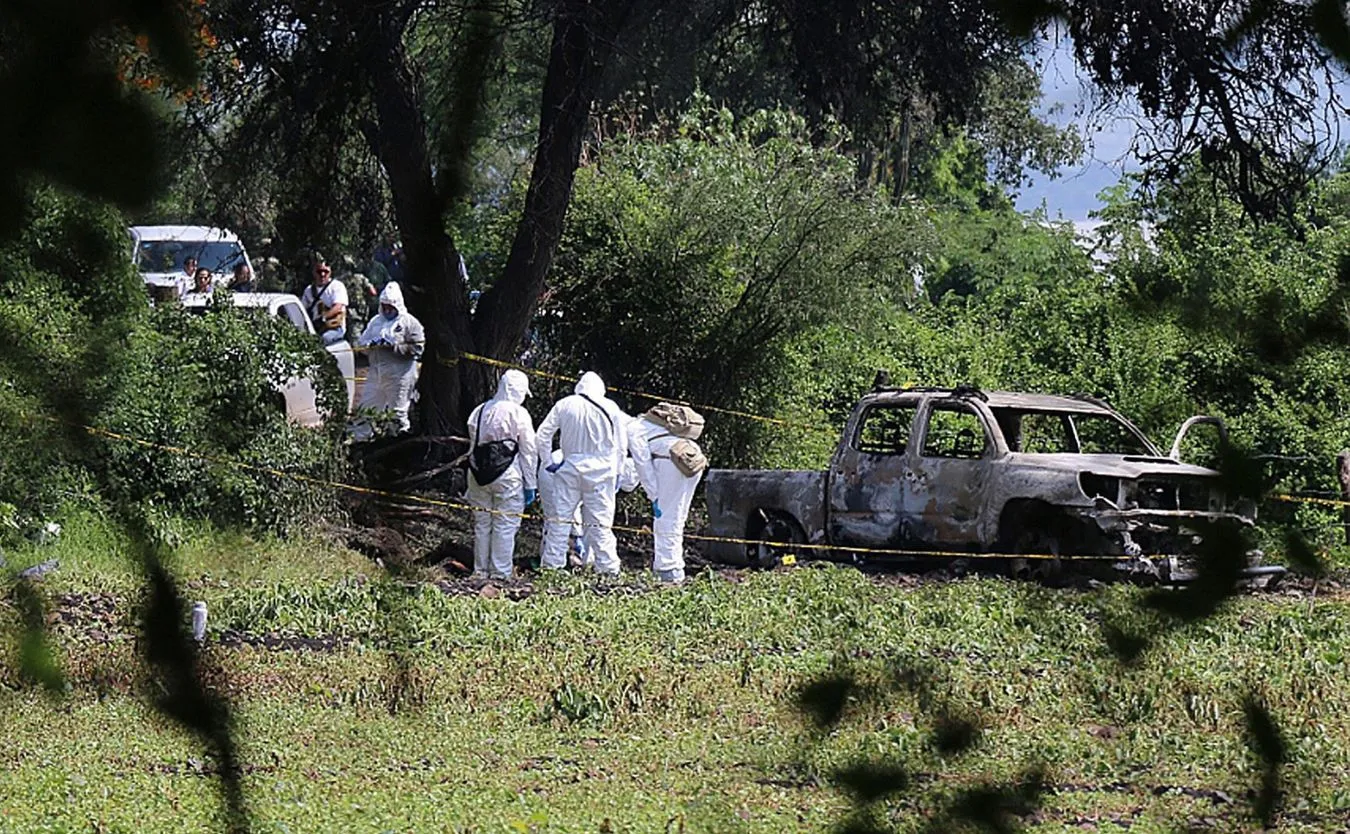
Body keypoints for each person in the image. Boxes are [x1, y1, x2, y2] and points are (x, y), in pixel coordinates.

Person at [535, 372, 628, 576]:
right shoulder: (611, 407)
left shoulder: (565, 404)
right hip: (601, 474)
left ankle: (552, 568)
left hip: (570, 471)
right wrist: (618, 472)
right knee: (600, 526)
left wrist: (548, 462)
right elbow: (621, 446)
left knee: (559, 522)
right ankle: (609, 570)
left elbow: (542, 435)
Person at [465, 369, 537, 580]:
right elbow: (528, 451)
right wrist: (530, 483)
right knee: (505, 525)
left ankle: (479, 571)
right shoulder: (518, 413)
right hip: (507, 475)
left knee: (482, 524)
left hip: (477, 474)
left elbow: (473, 444)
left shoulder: (479, 410)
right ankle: (500, 574)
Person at [629, 407, 707, 584]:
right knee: (678, 517)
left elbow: (642, 462)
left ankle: (668, 571)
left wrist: (653, 494)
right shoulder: (652, 426)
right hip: (692, 458)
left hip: (672, 460)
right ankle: (675, 567)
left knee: (666, 518)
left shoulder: (633, 429)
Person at [355, 282, 424, 436]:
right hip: (376, 374)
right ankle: (360, 441)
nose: (387, 310)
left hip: (400, 376)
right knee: (366, 410)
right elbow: (362, 342)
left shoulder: (409, 322)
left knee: (398, 414)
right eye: (384, 306)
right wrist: (371, 345)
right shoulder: (376, 322)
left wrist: (395, 347)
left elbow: (418, 347)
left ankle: (400, 444)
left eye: (390, 307)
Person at [538, 449, 590, 568]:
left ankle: (564, 559)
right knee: (557, 520)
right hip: (555, 471)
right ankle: (552, 564)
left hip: (560, 467)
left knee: (559, 520)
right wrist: (577, 534)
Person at [300, 258, 349, 345]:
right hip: (314, 327)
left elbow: (338, 306)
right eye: (319, 271)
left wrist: (323, 318)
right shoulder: (309, 290)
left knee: (323, 339)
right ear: (314, 272)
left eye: (325, 272)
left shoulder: (337, 286)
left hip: (333, 328)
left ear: (330, 272)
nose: (322, 274)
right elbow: (302, 309)